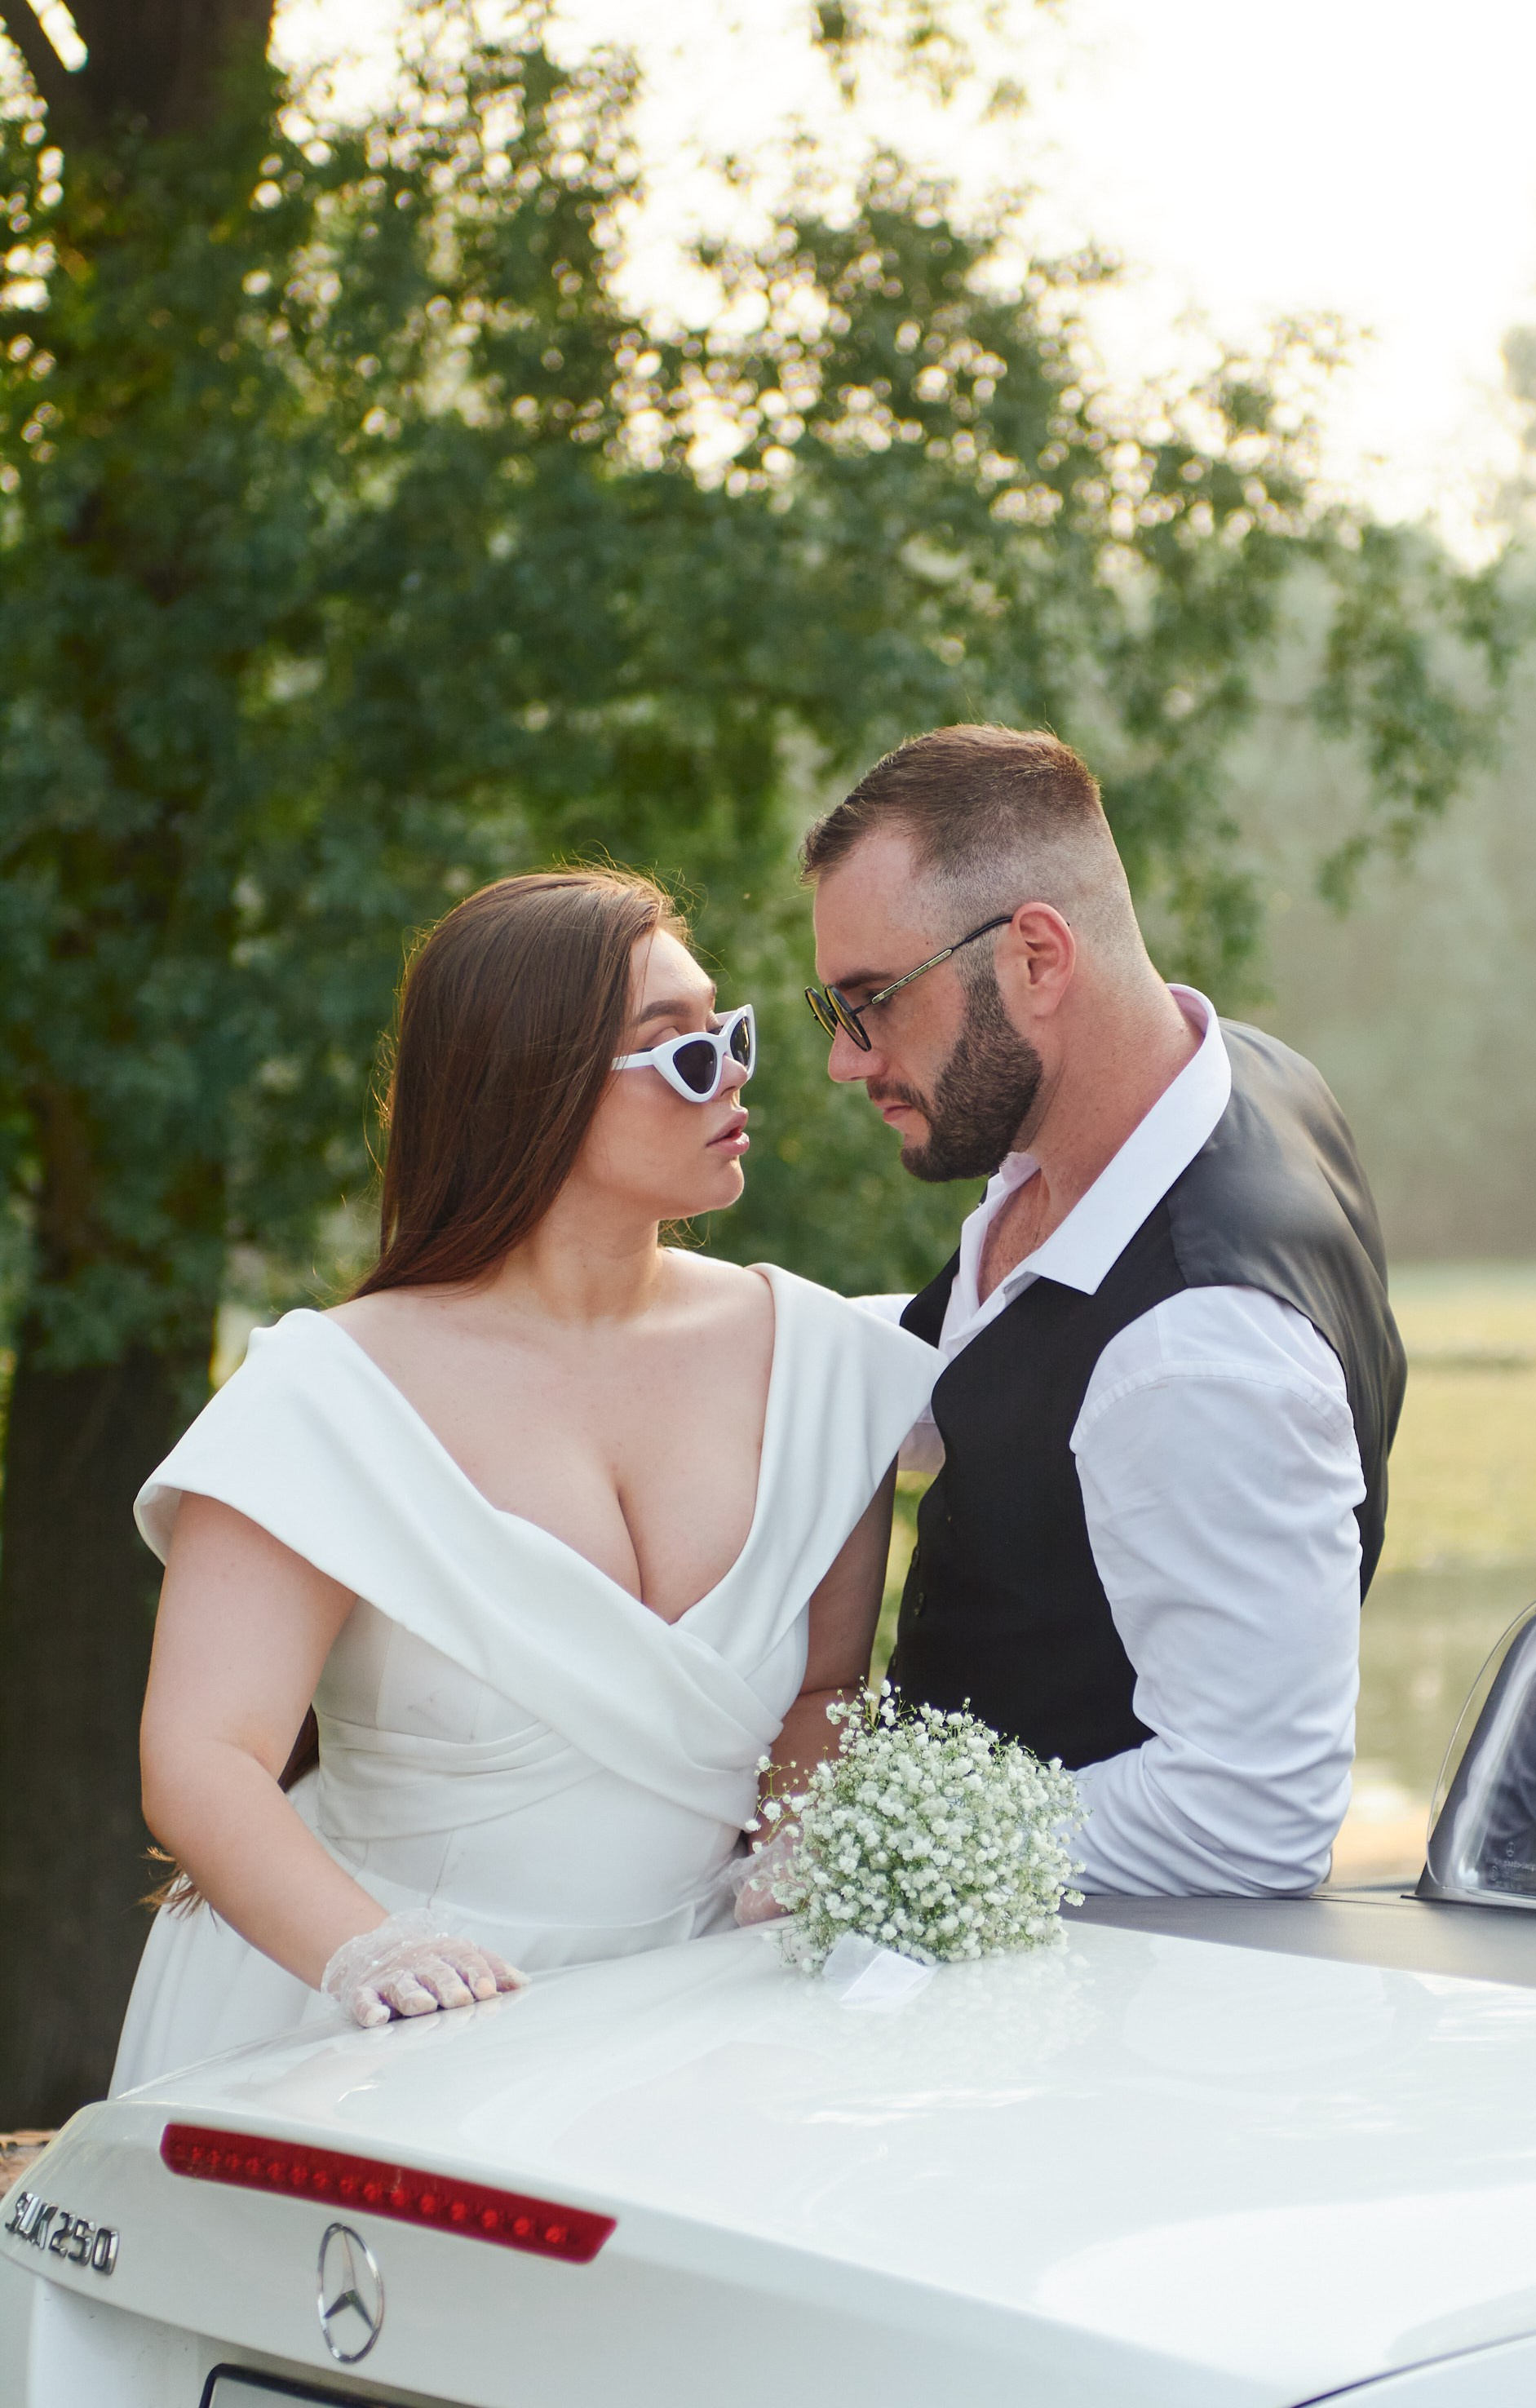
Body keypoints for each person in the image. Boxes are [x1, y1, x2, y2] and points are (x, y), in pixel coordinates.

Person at [113, 869, 937, 2092]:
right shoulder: (326, 1399)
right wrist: (371, 1960)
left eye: (730, 1035)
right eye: (681, 1056)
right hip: (366, 2031)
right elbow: (202, 1756)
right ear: (532, 1092)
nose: (737, 1073)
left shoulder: (825, 1367)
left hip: (699, 2025)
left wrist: (800, 1844)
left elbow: (821, 1686)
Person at [803, 725, 1405, 1898]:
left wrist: (865, 1861)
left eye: (876, 1000)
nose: (846, 1060)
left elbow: (1246, 1816)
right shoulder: (1201, 1080)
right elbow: (1001, 1371)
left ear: (1036, 958)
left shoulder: (1199, 1358)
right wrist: (710, 1350)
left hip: (1075, 2022)